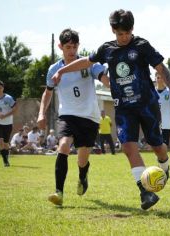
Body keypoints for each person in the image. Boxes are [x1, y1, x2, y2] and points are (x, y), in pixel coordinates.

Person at [50, 10, 170, 210]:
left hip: (147, 105)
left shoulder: (142, 46)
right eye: (119, 34)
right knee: (128, 147)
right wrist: (61, 70)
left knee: (157, 146)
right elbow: (87, 62)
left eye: (127, 33)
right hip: (123, 108)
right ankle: (145, 192)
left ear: (132, 29)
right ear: (113, 31)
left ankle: (165, 163)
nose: (124, 37)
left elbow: (161, 68)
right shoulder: (107, 49)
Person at [37, 28, 109, 206]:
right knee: (63, 146)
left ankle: (83, 176)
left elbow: (104, 78)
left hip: (90, 117)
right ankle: (58, 192)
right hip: (67, 115)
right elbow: (48, 93)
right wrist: (41, 113)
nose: (72, 51)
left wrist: (112, 83)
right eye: (68, 47)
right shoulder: (54, 69)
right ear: (60, 46)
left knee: (82, 158)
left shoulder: (87, 63)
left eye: (75, 47)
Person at [0, 80, 17, 167]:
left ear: (3, 88)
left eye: (0, 88)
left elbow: (15, 109)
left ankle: (6, 157)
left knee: (6, 144)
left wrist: (5, 115)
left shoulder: (8, 98)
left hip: (8, 123)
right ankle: (5, 161)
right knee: (0, 141)